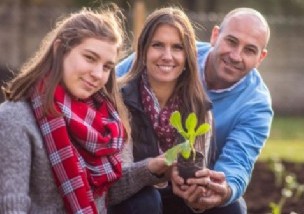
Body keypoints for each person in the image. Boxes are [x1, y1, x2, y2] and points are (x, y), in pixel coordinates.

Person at [115, 7, 273, 214]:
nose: (236, 56)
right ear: (215, 36)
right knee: (146, 201)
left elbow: (238, 162)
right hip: (136, 178)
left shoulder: (256, 105)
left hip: (188, 182)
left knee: (232, 208)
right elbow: (111, 85)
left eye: (249, 50)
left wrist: (219, 190)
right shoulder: (173, 55)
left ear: (261, 58)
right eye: (231, 41)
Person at [0, 5, 132, 213]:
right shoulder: (15, 117)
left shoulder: (103, 120)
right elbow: (11, 207)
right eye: (89, 58)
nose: (98, 74)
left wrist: (155, 168)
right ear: (59, 49)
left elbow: (105, 193)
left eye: (107, 67)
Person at [107, 7, 215, 214]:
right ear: (143, 50)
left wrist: (197, 195)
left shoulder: (200, 108)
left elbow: (198, 173)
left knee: (232, 206)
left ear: (187, 56)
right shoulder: (118, 99)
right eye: (158, 45)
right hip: (131, 203)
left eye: (177, 47)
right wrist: (150, 169)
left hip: (178, 200)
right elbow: (113, 187)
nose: (167, 56)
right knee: (146, 200)